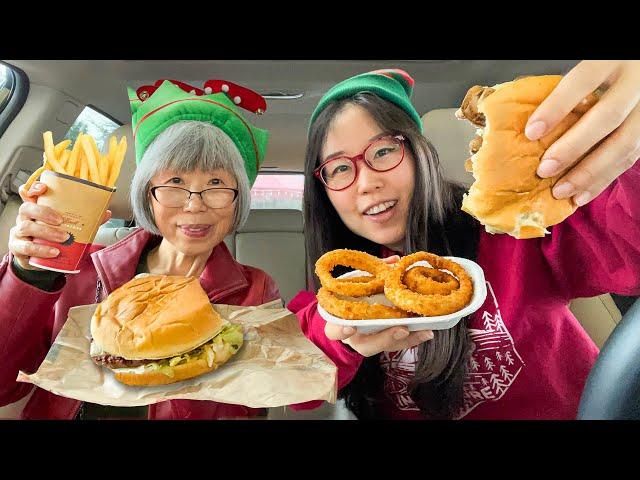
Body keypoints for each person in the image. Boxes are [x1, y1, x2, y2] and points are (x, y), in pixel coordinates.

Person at [288, 62, 640, 419]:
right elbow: (292, 378)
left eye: (383, 151)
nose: (365, 183)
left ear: (420, 154)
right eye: (340, 168)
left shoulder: (515, 226)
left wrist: (626, 149)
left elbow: (629, 246)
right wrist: (338, 336)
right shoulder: (342, 289)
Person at [0, 79, 279, 419]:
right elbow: (5, 386)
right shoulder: (76, 269)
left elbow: (250, 405)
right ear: (148, 192)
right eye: (175, 183)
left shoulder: (256, 293)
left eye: (217, 184)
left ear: (239, 200)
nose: (194, 205)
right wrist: (26, 276)